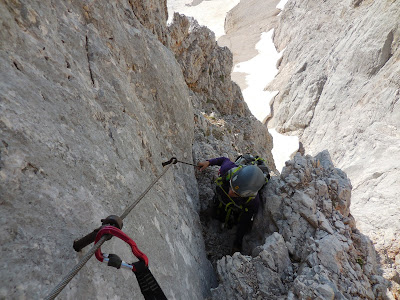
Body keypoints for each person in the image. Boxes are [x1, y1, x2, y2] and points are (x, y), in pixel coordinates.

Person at [197, 156, 266, 253]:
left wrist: (237, 243)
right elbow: (223, 160)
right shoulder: (228, 170)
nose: (230, 192)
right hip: (220, 201)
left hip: (233, 210)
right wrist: (208, 162)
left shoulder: (252, 201)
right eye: (231, 186)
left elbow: (244, 222)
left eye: (235, 193)